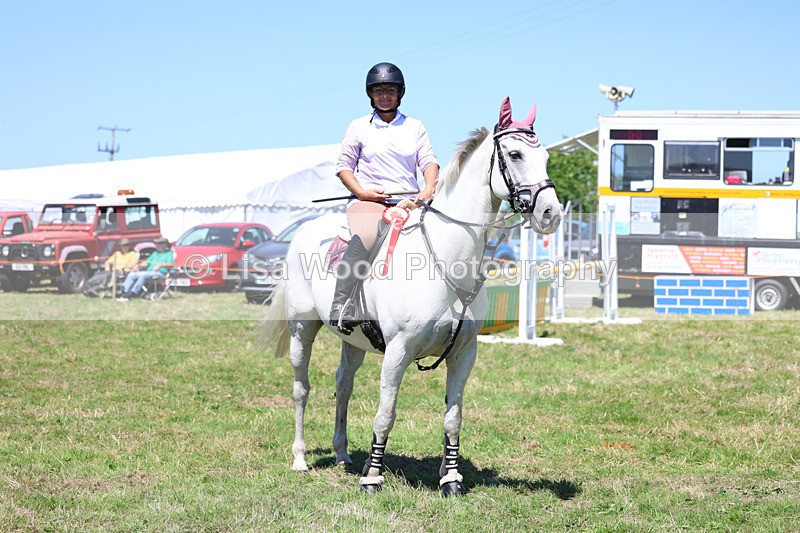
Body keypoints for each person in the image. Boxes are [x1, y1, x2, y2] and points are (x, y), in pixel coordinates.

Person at [329, 62, 439, 332]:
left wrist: (425, 193)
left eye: (390, 90)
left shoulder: (415, 126)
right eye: (379, 91)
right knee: (366, 236)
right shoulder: (358, 127)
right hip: (368, 202)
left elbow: (429, 163)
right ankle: (341, 304)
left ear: (400, 93)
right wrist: (362, 192)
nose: (384, 95)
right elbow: (344, 167)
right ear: (371, 95)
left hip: (409, 203)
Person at [117, 237, 175, 301]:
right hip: (149, 273)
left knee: (143, 275)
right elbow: (146, 263)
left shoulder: (169, 254)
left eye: (160, 243)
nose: (157, 245)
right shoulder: (155, 253)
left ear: (165, 245)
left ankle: (133, 293)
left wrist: (161, 265)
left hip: (160, 274)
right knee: (132, 274)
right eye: (157, 243)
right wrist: (138, 266)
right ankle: (124, 292)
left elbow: (171, 265)